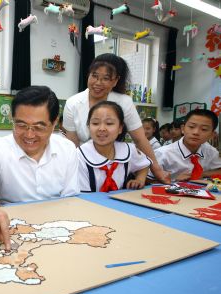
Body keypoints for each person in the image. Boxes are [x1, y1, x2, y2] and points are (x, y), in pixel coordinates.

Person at [0, 86, 80, 250]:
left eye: (39, 127)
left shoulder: (67, 149)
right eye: (21, 125)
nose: (29, 135)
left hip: (55, 232)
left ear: (54, 123)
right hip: (10, 231)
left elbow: (70, 199)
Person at [62, 53, 169, 184]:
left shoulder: (124, 102)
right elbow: (72, 145)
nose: (98, 83)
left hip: (116, 164)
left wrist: (157, 170)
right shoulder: (73, 103)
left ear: (115, 81)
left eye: (106, 78)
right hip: (84, 165)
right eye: (94, 76)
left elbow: (140, 140)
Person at [78, 101, 150, 192]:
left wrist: (139, 179)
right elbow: (83, 197)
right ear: (88, 126)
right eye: (95, 123)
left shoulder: (128, 150)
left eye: (109, 123)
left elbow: (144, 165)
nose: (102, 128)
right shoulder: (79, 156)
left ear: (120, 128)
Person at [153, 109, 221, 181]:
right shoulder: (163, 153)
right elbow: (147, 180)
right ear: (183, 129)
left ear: (212, 135)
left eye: (204, 129)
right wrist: (174, 180)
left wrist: (203, 174)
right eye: (191, 127)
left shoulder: (211, 151)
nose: (196, 132)